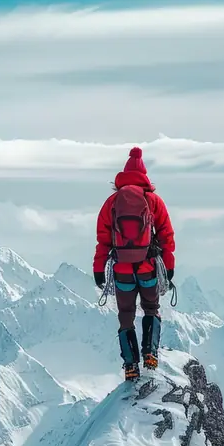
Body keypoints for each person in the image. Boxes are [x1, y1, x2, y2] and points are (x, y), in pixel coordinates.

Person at [93, 147, 175, 381]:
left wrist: (99, 269)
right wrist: (168, 267)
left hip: (122, 271)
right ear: (144, 175)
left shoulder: (112, 202)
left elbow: (103, 240)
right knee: (151, 308)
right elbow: (167, 236)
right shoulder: (153, 201)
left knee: (125, 315)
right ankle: (150, 353)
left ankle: (130, 365)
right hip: (148, 267)